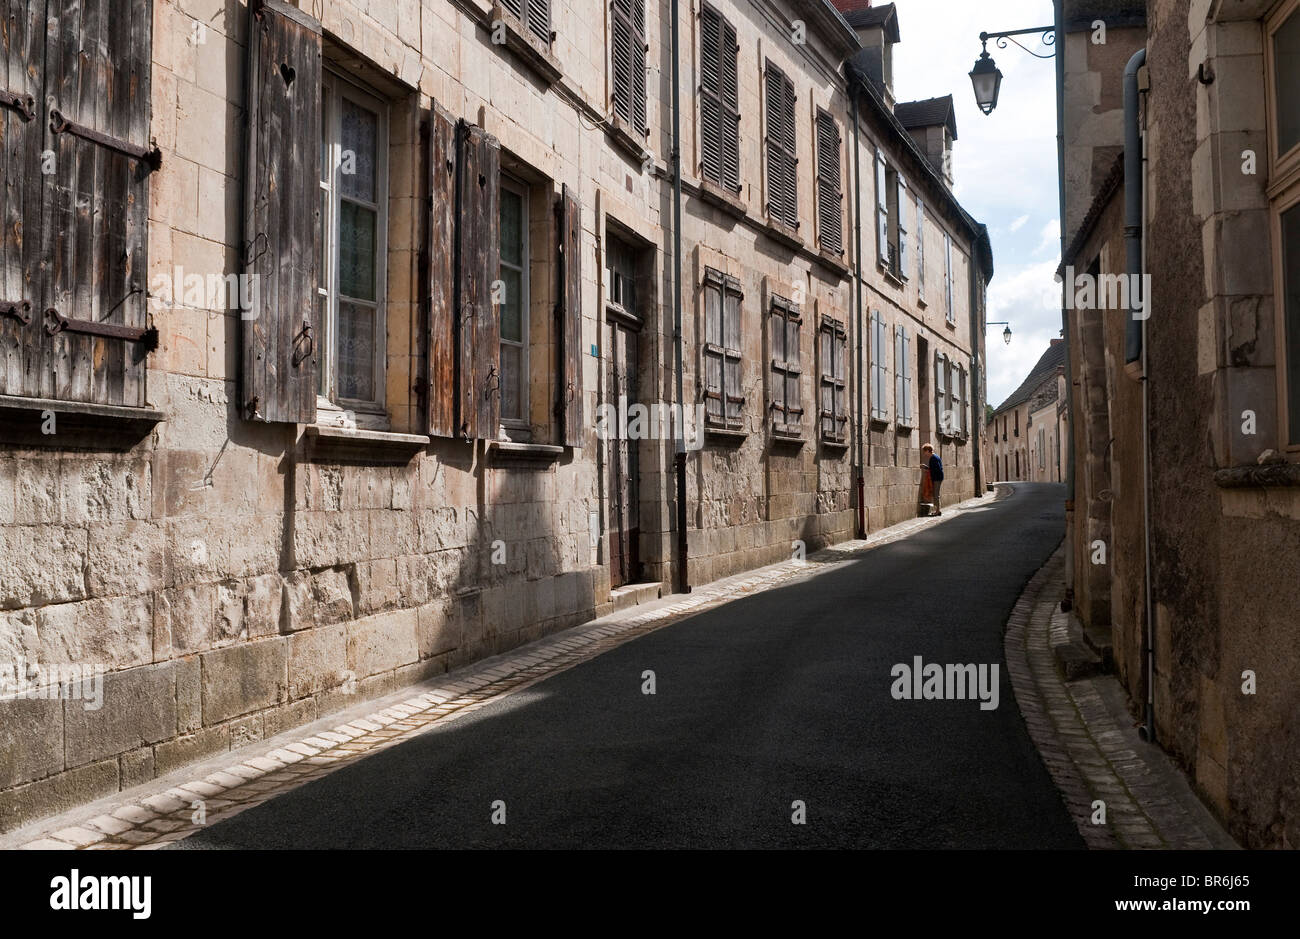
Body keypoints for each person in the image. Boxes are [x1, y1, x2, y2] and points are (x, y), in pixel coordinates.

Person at [922, 444, 944, 516]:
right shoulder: (935, 457)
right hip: (938, 477)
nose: (924, 453)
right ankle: (937, 510)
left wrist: (927, 469)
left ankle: (937, 511)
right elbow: (935, 468)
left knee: (936, 495)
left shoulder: (933, 458)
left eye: (925, 452)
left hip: (937, 478)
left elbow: (937, 469)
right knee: (936, 494)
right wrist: (927, 468)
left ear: (928, 451)